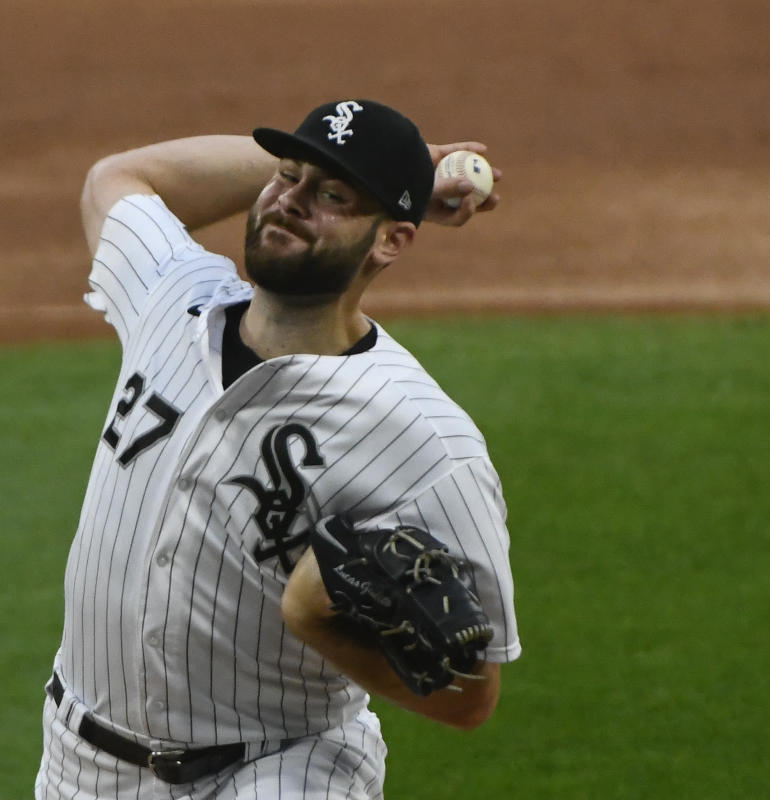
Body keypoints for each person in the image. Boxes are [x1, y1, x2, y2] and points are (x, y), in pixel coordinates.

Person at [35, 98, 521, 800]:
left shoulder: (425, 442)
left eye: (331, 196)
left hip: (281, 770)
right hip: (81, 768)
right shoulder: (170, 296)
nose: (291, 201)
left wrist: (320, 625)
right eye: (285, 177)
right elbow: (120, 178)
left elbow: (472, 696)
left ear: (390, 241)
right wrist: (362, 165)